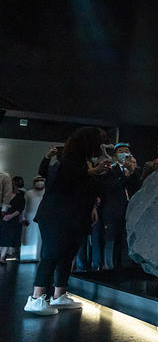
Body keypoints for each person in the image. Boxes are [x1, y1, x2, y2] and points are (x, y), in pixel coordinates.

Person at [24, 127, 111, 316]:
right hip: (59, 217)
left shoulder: (77, 163)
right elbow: (73, 185)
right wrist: (93, 173)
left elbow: (83, 187)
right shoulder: (69, 163)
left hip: (70, 217)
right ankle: (37, 298)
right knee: (52, 254)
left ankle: (59, 294)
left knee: (66, 254)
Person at [95, 143, 138, 270]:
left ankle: (125, 267)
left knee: (126, 241)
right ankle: (109, 267)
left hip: (129, 211)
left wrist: (132, 171)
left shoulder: (133, 170)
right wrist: (126, 176)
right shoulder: (110, 169)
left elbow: (138, 186)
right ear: (116, 154)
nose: (124, 153)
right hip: (112, 211)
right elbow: (109, 187)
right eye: (121, 151)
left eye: (126, 151)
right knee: (111, 240)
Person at [0, 177, 25, 263]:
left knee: (7, 238)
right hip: (1, 218)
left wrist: (11, 216)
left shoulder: (20, 195)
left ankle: (2, 257)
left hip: (12, 219)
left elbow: (20, 208)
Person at [20, 176, 46, 260]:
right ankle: (27, 257)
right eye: (38, 180)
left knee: (41, 238)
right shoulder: (28, 193)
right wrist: (23, 217)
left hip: (43, 218)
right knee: (28, 237)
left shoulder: (47, 193)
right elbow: (23, 206)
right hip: (29, 218)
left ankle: (40, 256)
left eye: (42, 180)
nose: (40, 182)